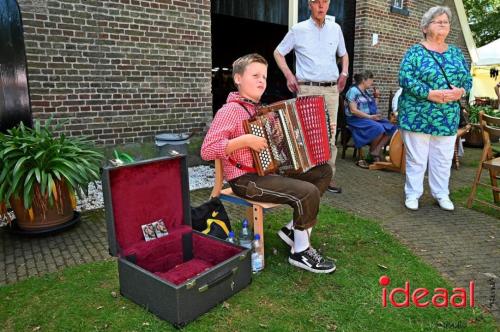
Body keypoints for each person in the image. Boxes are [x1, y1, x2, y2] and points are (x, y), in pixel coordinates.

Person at [201, 53, 335, 274]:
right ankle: (300, 252)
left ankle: (293, 230)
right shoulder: (230, 111)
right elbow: (207, 150)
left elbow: (278, 146)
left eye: (263, 76)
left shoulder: (261, 111)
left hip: (269, 173)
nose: (261, 80)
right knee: (308, 192)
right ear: (238, 78)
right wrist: (243, 141)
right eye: (255, 75)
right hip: (245, 180)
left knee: (323, 171)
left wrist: (290, 134)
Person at [398, 6, 472, 211]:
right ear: (425, 27)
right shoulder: (414, 52)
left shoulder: (456, 53)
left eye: (445, 21)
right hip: (417, 114)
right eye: (437, 21)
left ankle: (441, 194)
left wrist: (461, 92)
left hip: (447, 116)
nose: (443, 24)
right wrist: (429, 94)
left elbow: (468, 80)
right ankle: (412, 194)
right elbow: (405, 78)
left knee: (443, 158)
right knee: (417, 159)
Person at [273, 0, 348, 194]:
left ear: (329, 4)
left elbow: (344, 54)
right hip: (307, 89)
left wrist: (344, 73)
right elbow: (278, 53)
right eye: (316, 2)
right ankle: (308, 176)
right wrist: (289, 75)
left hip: (331, 90)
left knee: (330, 135)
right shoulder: (298, 30)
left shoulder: (336, 28)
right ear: (309, 5)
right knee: (307, 135)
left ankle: (328, 177)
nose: (321, 6)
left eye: (325, 2)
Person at [344, 70, 397, 167]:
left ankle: (375, 151)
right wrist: (370, 117)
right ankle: (371, 154)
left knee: (392, 126)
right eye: (371, 80)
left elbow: (373, 107)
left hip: (367, 118)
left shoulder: (366, 92)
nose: (372, 82)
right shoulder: (353, 91)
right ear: (364, 80)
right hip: (356, 119)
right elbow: (353, 110)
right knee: (378, 128)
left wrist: (376, 97)